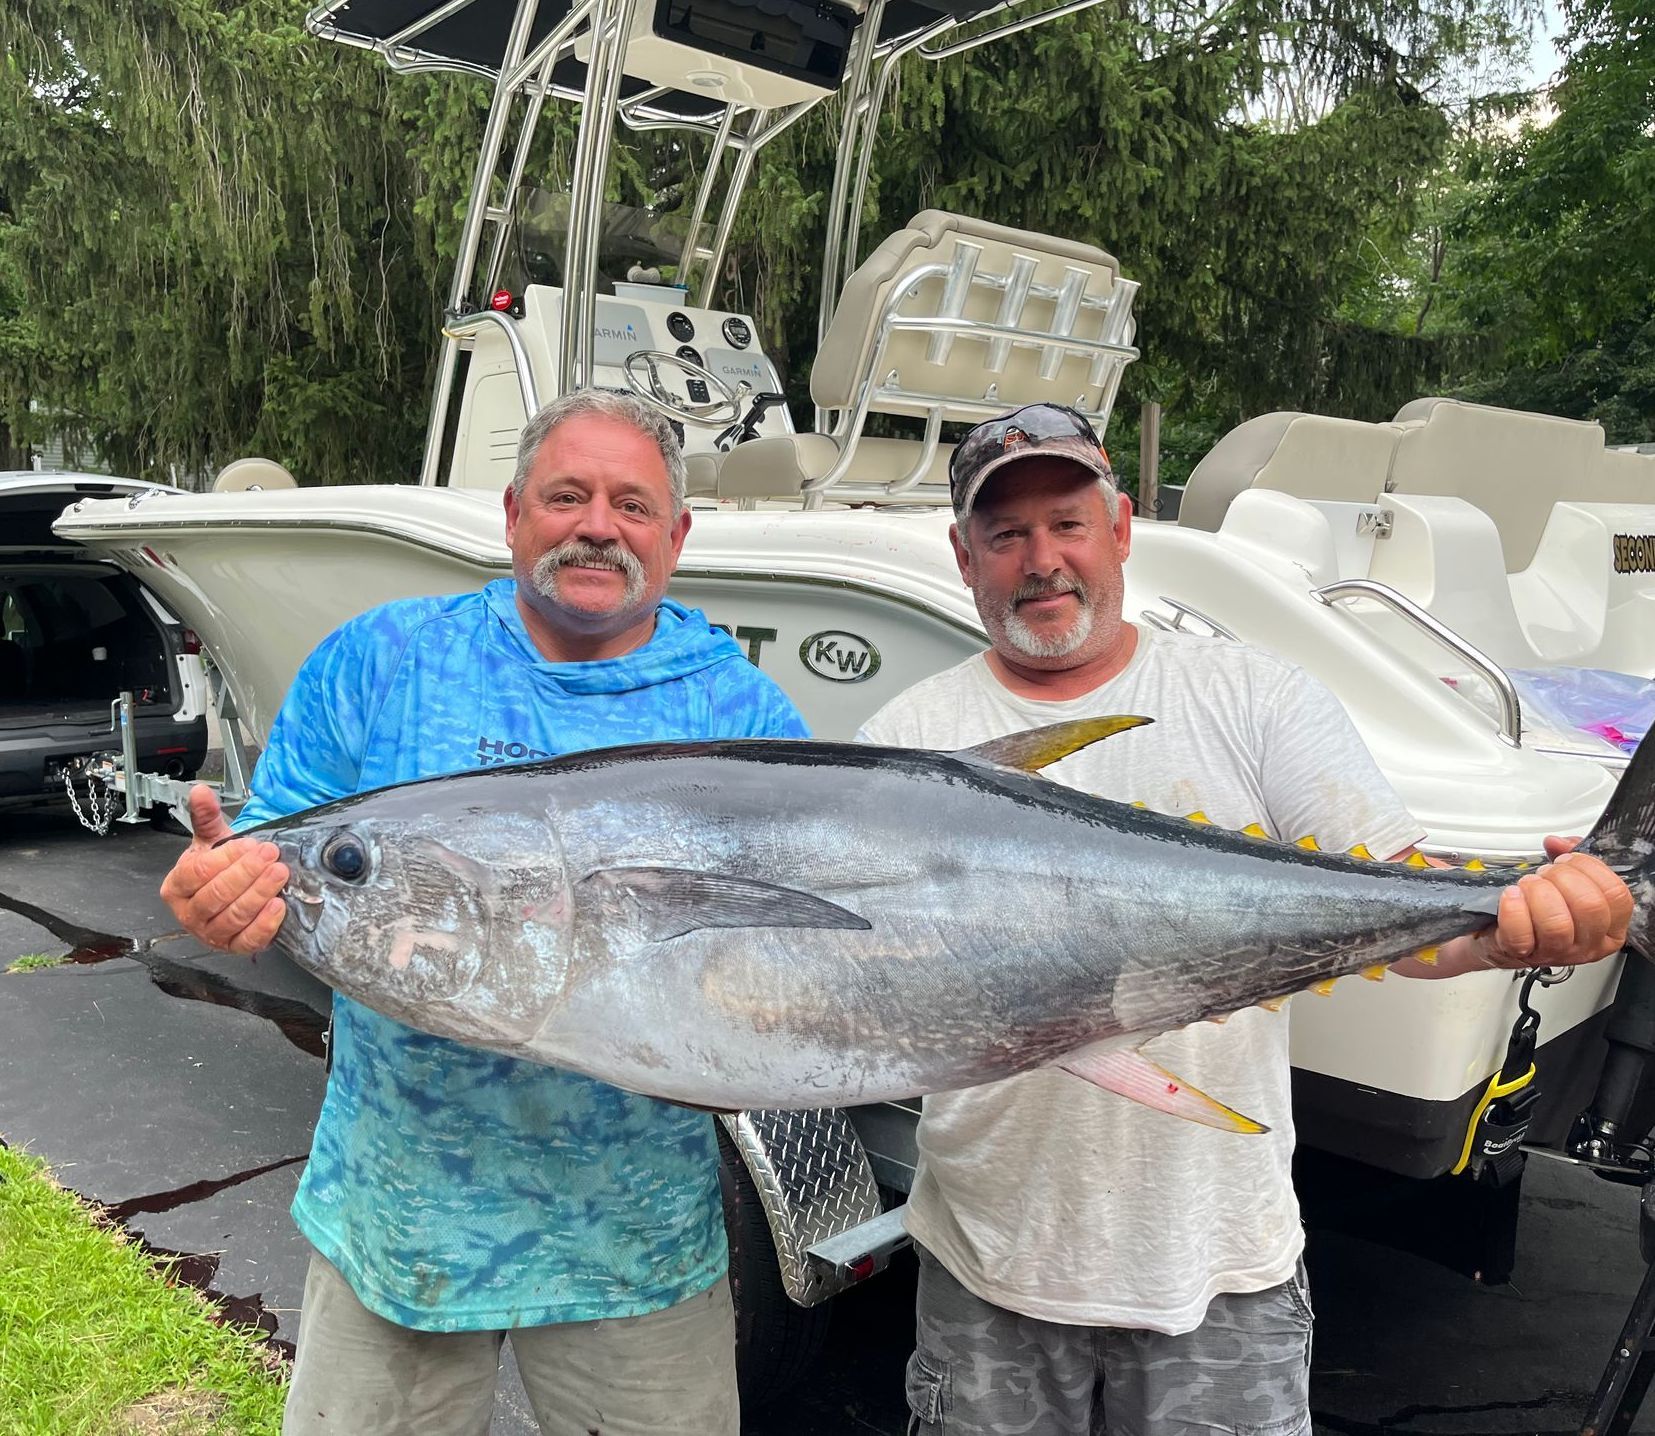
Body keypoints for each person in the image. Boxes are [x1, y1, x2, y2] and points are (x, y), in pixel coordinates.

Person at [857, 401, 1635, 1436]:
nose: (1041, 560)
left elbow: (1412, 905)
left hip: (1219, 1265)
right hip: (988, 1264)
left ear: (1121, 527)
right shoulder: (906, 737)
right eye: (1005, 534)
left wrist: (1508, 924)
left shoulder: (1253, 696)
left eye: (1067, 523)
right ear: (964, 556)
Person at [158, 389, 807, 1435]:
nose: (598, 523)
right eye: (567, 494)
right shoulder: (381, 661)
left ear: (676, 535)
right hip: (399, 1222)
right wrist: (223, 893)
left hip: (634, 1242)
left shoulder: (742, 715)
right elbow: (267, 860)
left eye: (632, 504)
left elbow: (777, 963)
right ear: (512, 513)